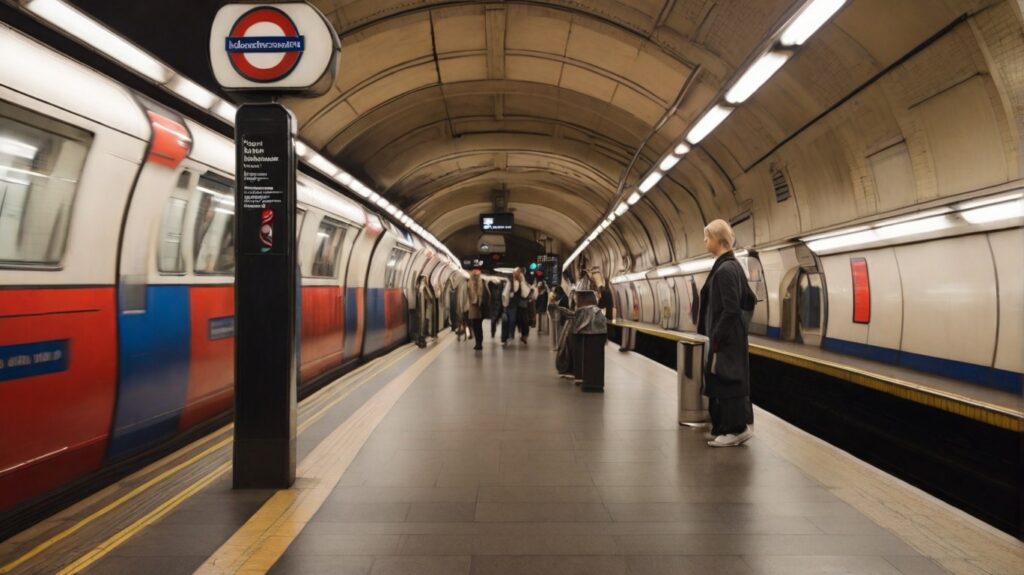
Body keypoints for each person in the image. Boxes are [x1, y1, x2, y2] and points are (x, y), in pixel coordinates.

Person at [697, 219, 756, 448]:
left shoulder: (725, 270)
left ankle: (734, 430)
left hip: (726, 339)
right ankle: (731, 428)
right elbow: (749, 300)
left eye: (706, 237)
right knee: (728, 379)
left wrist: (718, 336)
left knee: (726, 380)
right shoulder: (732, 266)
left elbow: (731, 308)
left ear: (717, 240)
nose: (704, 241)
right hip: (732, 337)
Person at [466, 268, 488, 351]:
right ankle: (477, 342)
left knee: (478, 325)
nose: (475, 276)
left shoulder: (482, 282)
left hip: (480, 307)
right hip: (472, 307)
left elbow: (486, 294)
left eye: (476, 275)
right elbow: (467, 294)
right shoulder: (469, 283)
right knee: (475, 326)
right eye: (474, 274)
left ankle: (479, 343)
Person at [509, 268, 534, 344]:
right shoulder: (513, 282)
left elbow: (526, 293)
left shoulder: (523, 282)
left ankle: (524, 335)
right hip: (516, 305)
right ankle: (519, 334)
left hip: (523, 305)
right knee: (518, 320)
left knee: (524, 320)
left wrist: (522, 282)